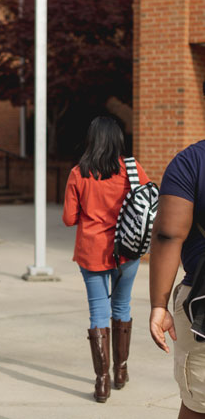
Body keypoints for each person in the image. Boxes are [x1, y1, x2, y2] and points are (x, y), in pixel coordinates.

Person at [62, 116, 149, 403]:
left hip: (92, 250)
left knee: (97, 312)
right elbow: (149, 204)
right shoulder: (133, 170)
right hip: (127, 249)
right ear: (118, 140)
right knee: (122, 305)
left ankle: (102, 382)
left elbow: (68, 219)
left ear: (92, 140)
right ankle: (121, 371)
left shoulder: (78, 173)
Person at [150, 140, 205, 419]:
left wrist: (159, 305)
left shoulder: (190, 162)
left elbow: (168, 233)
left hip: (202, 306)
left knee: (198, 407)